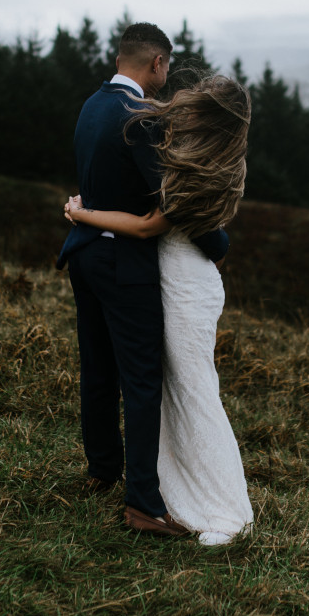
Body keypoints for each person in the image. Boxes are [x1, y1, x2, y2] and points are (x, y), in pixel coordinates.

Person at [63, 71, 254, 546]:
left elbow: (162, 226)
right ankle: (160, 486)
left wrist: (82, 212)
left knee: (190, 387)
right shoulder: (180, 151)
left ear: (210, 117)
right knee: (164, 386)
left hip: (187, 284)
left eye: (197, 104)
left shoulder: (197, 165)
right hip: (163, 277)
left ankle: (218, 503)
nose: (183, 105)